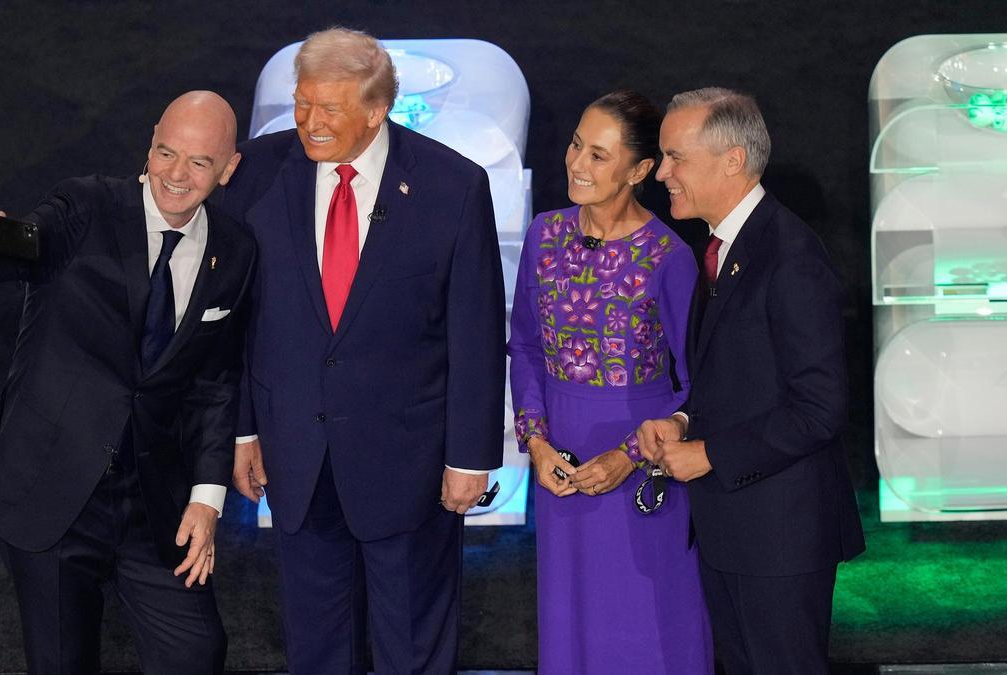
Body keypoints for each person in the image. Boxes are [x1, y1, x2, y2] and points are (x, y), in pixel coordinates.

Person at [0, 91, 253, 674]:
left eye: (199, 163)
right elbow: (30, 242)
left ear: (228, 167)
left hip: (157, 506)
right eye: (165, 153)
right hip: (51, 497)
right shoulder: (86, 206)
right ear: (150, 142)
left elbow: (214, 383)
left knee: (196, 652)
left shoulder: (235, 250)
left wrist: (206, 500)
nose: (175, 176)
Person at [219, 28, 505, 674]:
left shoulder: (450, 186)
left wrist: (470, 455)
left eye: (330, 109)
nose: (309, 123)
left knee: (412, 643)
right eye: (302, 103)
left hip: (410, 463)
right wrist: (243, 431)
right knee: (317, 644)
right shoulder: (258, 173)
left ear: (377, 110)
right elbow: (241, 316)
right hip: (298, 458)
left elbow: (476, 332)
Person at [638, 87, 866, 674]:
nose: (662, 173)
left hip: (781, 538)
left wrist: (709, 453)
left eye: (675, 158)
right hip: (737, 530)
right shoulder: (722, 248)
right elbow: (737, 378)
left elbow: (819, 408)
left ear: (732, 160)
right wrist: (683, 421)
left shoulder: (789, 256)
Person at [508, 90, 711, 674]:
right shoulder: (544, 236)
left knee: (648, 622)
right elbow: (523, 346)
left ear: (641, 170)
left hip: (643, 464)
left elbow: (697, 383)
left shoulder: (667, 256)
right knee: (572, 625)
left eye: (599, 155)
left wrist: (628, 457)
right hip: (562, 464)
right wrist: (537, 442)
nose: (576, 163)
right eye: (576, 144)